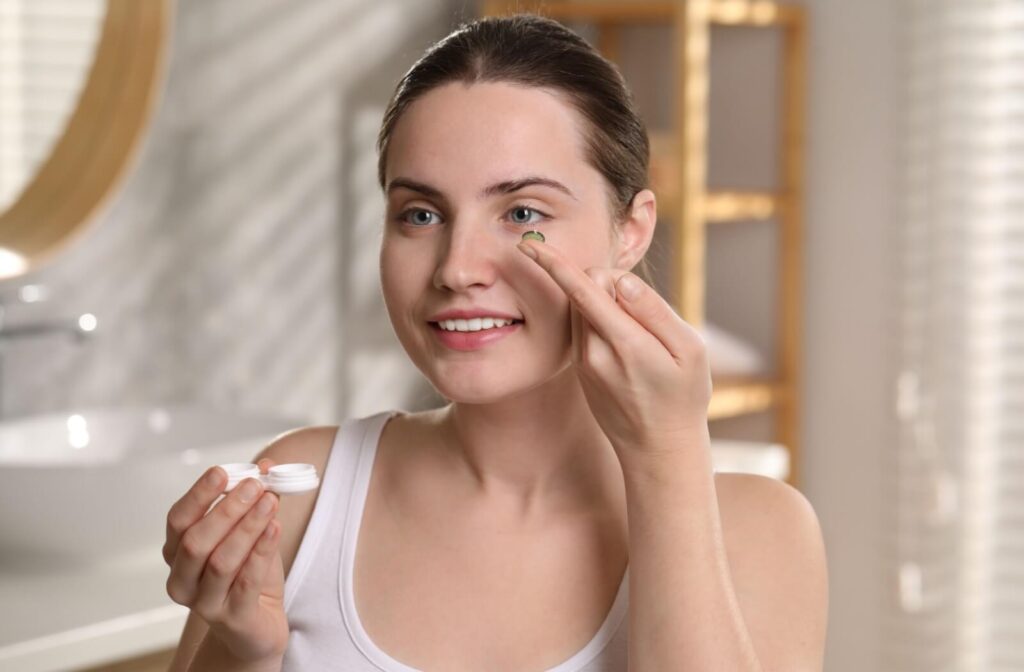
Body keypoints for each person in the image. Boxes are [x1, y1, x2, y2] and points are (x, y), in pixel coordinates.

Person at [163, 13, 829, 672]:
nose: (457, 267)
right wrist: (243, 652)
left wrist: (668, 454)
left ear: (630, 232)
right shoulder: (302, 499)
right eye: (421, 215)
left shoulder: (759, 533)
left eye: (522, 213)